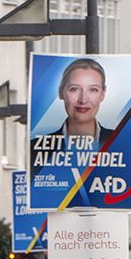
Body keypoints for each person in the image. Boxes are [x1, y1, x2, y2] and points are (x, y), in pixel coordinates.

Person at [29, 58, 113, 209]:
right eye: (74, 89)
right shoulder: (36, 149)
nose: (83, 99)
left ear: (103, 94)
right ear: (61, 92)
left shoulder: (120, 142)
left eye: (93, 89)